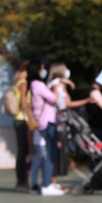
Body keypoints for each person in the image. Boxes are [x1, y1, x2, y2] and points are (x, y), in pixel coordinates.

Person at [48, 63, 93, 180]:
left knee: (57, 151)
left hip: (57, 122)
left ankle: (53, 181)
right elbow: (66, 104)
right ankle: (52, 181)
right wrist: (86, 101)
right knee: (56, 152)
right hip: (56, 122)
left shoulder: (55, 84)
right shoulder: (57, 85)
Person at [27, 61, 63, 196]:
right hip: (47, 121)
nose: (44, 71)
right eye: (42, 69)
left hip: (41, 122)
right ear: (37, 70)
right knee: (50, 153)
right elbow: (53, 99)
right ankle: (47, 185)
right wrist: (57, 88)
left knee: (49, 153)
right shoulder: (39, 84)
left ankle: (47, 184)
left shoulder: (33, 85)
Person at [10, 62, 31, 192]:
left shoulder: (17, 80)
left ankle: (21, 180)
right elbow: (24, 102)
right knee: (24, 152)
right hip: (23, 120)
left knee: (22, 152)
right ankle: (22, 180)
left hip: (18, 120)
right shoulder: (23, 82)